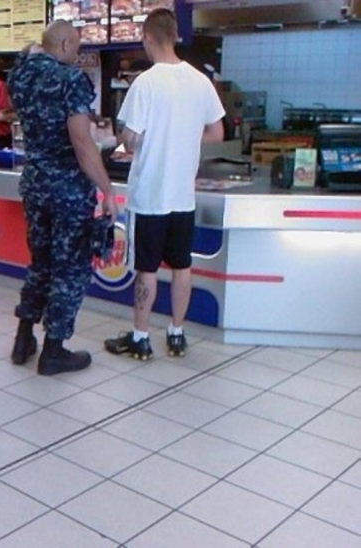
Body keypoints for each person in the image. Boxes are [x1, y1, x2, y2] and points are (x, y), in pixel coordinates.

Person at [103, 9, 225, 361]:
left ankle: (140, 337)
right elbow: (217, 132)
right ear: (175, 35)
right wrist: (185, 137)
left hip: (150, 196)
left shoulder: (145, 83)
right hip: (182, 197)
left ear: (147, 37)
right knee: (181, 266)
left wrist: (128, 137)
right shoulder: (200, 80)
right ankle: (176, 333)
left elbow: (132, 139)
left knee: (147, 268)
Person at [6, 22, 117, 376]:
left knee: (40, 264)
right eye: (77, 46)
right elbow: (83, 145)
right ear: (66, 42)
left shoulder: (19, 75)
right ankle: (54, 349)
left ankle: (23, 339)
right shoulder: (71, 80)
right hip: (68, 191)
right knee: (69, 270)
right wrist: (108, 190)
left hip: (35, 186)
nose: (77, 53)